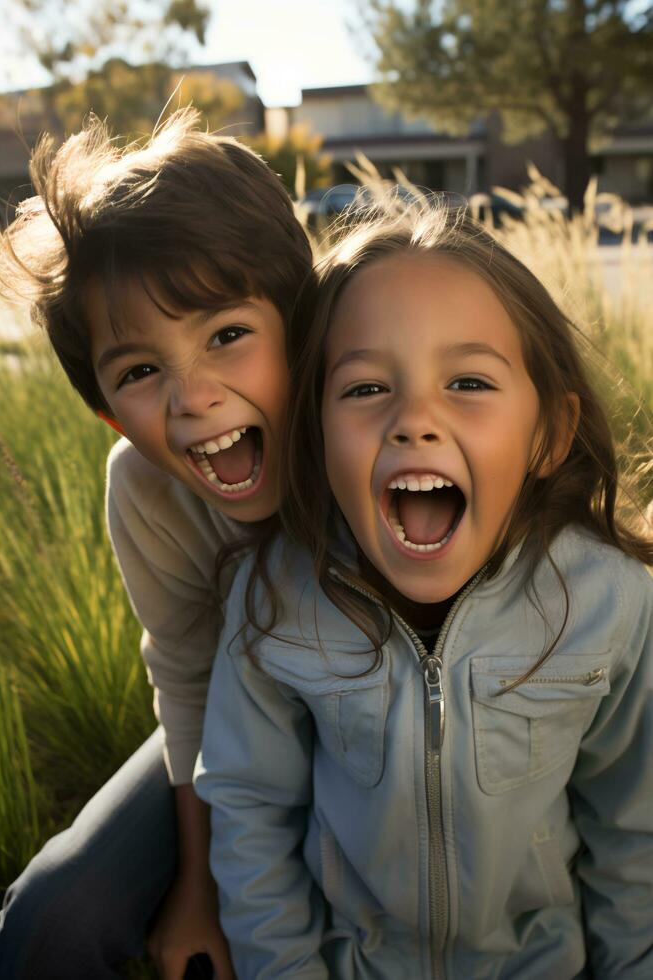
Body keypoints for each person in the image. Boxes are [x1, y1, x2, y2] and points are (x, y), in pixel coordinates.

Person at [195, 201, 653, 978]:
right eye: (367, 389)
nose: (415, 421)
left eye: (468, 381)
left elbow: (634, 830)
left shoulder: (609, 603)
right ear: (317, 433)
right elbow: (253, 820)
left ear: (549, 434)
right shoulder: (276, 603)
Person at [0, 108, 313, 980]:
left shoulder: (367, 426)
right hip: (224, 716)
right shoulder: (142, 487)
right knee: (54, 916)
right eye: (140, 372)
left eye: (227, 336)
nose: (193, 397)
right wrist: (196, 885)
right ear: (107, 413)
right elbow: (183, 674)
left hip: (393, 712)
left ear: (303, 321)